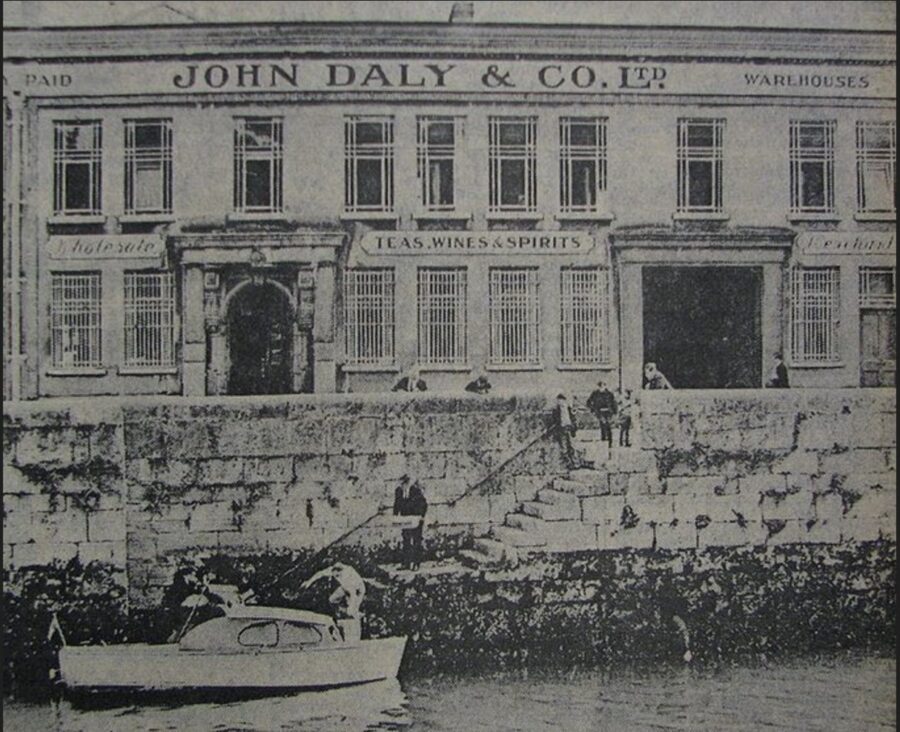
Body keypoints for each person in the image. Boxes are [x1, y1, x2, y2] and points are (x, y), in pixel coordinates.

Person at [301, 563, 366, 642]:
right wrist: (309, 582)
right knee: (331, 600)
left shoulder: (347, 576)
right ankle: (340, 611)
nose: (336, 577)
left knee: (352, 610)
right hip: (345, 588)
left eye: (338, 576)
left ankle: (356, 616)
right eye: (335, 576)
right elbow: (320, 574)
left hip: (358, 589)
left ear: (341, 572)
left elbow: (352, 594)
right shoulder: (332, 570)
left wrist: (351, 607)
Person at [393, 475, 428, 570]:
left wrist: (421, 516)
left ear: (407, 483)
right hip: (405, 519)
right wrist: (395, 517)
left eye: (404, 483)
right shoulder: (399, 491)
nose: (402, 485)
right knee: (406, 540)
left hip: (416, 518)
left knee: (416, 540)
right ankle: (406, 563)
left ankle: (416, 563)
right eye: (401, 483)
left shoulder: (416, 490)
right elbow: (396, 504)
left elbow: (424, 503)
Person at [587, 381, 617, 447]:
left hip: (608, 412)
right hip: (600, 412)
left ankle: (610, 442)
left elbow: (614, 403)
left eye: (603, 385)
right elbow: (588, 402)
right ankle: (604, 441)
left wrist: (615, 412)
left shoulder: (609, 394)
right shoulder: (595, 394)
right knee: (602, 426)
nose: (601, 387)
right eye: (600, 386)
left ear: (605, 386)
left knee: (608, 426)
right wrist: (592, 409)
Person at [553, 393, 578, 470]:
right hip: (562, 429)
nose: (561, 403)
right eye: (559, 401)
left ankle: (575, 463)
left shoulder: (569, 409)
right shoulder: (557, 411)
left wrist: (574, 428)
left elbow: (574, 419)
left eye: (562, 401)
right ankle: (569, 464)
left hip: (569, 428)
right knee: (564, 448)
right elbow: (555, 421)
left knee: (572, 447)